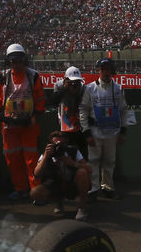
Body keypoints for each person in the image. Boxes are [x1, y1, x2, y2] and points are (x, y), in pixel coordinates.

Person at [0, 43, 46, 201]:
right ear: (9, 61)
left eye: (19, 61)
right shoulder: (4, 76)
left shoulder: (33, 75)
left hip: (28, 124)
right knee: (13, 160)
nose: (17, 64)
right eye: (13, 61)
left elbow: (40, 98)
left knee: (31, 161)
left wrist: (36, 115)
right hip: (9, 126)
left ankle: (35, 192)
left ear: (24, 60)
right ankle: (21, 189)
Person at [79, 57, 133, 200]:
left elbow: (123, 110)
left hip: (112, 132)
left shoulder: (118, 88)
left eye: (108, 69)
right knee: (93, 161)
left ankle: (108, 188)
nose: (105, 72)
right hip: (95, 132)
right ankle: (94, 190)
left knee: (109, 161)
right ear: (98, 70)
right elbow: (83, 110)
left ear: (112, 71)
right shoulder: (90, 89)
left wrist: (123, 131)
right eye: (102, 69)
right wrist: (86, 132)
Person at [31, 131, 92, 221]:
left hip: (71, 184)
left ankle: (82, 208)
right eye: (56, 144)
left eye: (62, 144)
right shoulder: (46, 154)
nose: (59, 147)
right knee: (35, 193)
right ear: (50, 144)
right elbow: (36, 175)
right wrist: (45, 157)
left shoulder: (73, 151)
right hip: (55, 185)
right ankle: (57, 201)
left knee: (82, 172)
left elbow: (89, 169)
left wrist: (73, 163)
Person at [46, 66, 87, 158]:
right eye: (73, 82)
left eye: (77, 82)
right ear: (66, 80)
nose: (75, 84)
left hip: (79, 126)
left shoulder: (83, 88)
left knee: (81, 154)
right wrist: (64, 89)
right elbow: (52, 102)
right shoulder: (59, 86)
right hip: (64, 126)